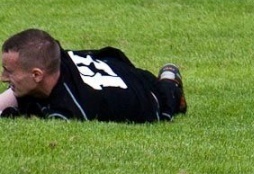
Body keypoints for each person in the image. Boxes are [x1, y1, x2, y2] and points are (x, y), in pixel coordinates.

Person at [0, 28, 187, 123]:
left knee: (166, 103)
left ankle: (169, 77)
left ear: (37, 75)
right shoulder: (53, 57)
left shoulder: (72, 109)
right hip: (109, 64)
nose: (3, 77)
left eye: (9, 71)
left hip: (144, 90)